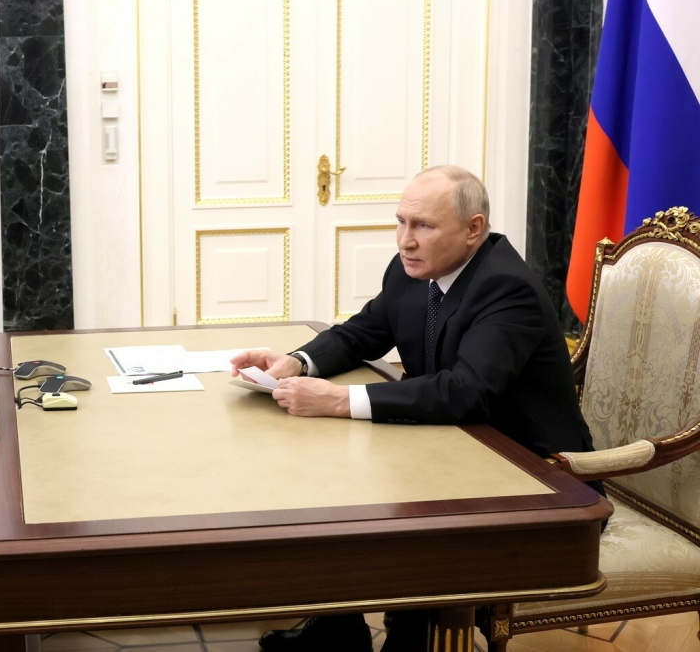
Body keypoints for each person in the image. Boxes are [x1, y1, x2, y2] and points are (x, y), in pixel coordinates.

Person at [238, 166, 596, 652]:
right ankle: (338, 633)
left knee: (384, 509)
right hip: (452, 451)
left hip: (532, 477)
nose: (405, 240)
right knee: (327, 481)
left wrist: (339, 400)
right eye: (401, 222)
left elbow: (466, 391)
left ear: (473, 229)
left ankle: (413, 638)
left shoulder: (506, 287)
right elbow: (361, 333)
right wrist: (296, 362)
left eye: (423, 225)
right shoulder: (412, 269)